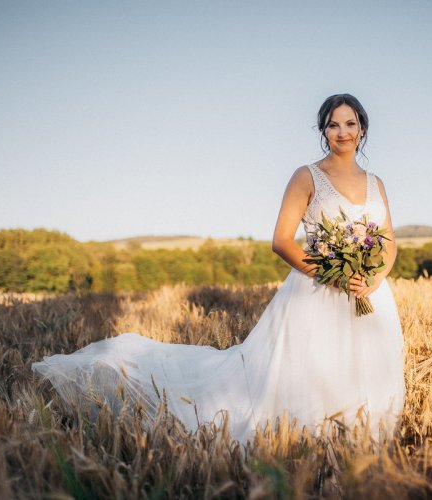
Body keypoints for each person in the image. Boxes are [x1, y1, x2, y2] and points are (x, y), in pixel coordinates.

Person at [31, 93, 406, 451]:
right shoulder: (306, 177)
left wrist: (373, 279)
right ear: (322, 131)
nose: (342, 132)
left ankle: (358, 440)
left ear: (363, 129)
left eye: (350, 123)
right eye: (332, 124)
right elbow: (282, 241)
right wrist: (334, 274)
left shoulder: (377, 184)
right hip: (317, 290)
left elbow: (388, 243)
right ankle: (308, 440)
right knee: (305, 376)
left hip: (370, 293)